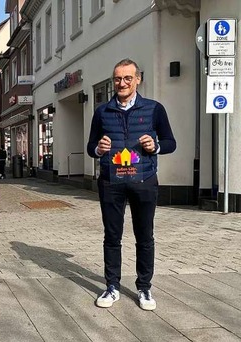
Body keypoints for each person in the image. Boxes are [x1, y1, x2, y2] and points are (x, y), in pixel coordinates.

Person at [87, 59, 176, 311]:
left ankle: (144, 287)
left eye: (127, 78)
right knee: (112, 237)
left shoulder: (154, 109)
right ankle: (112, 286)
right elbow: (90, 146)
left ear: (138, 79)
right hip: (111, 182)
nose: (122, 83)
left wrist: (155, 146)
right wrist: (98, 148)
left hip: (144, 181)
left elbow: (170, 142)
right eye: (117, 79)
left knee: (144, 236)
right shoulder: (102, 111)